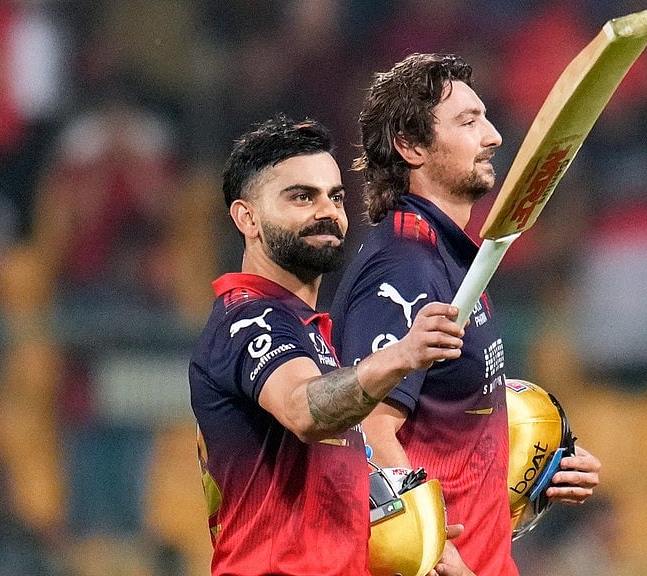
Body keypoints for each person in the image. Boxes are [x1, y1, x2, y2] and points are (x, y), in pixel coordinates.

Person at [330, 53, 601, 576]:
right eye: (468, 122)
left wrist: (542, 469)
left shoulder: (451, 257)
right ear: (410, 146)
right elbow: (367, 432)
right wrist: (444, 560)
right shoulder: (405, 267)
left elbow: (447, 416)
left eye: (486, 117)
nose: (494, 136)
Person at [188, 115, 471, 576]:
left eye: (335, 197)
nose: (327, 211)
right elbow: (305, 411)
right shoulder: (249, 317)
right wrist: (401, 354)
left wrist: (412, 534)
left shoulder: (310, 331)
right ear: (247, 217)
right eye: (301, 196)